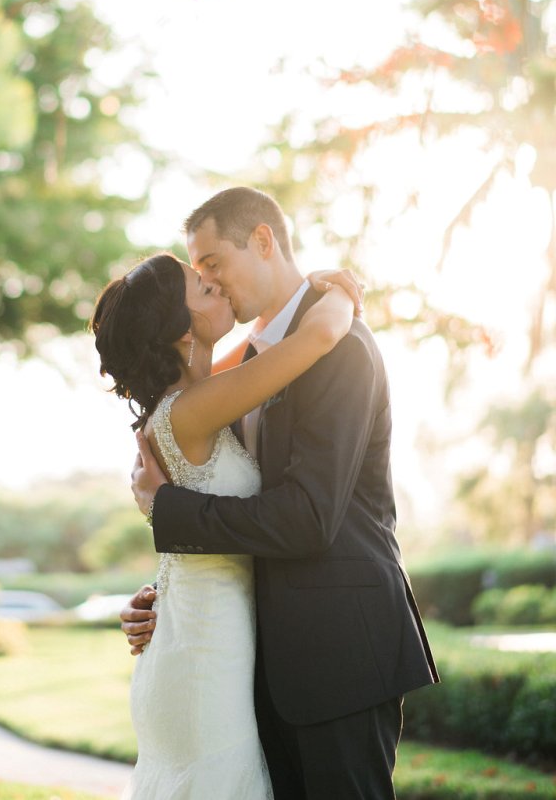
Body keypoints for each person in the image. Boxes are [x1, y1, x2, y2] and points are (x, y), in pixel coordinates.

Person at [124, 187, 439, 800]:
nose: (208, 283)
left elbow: (308, 519)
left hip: (340, 657)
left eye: (213, 263)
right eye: (198, 275)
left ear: (263, 241)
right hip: (258, 668)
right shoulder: (251, 364)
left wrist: (172, 515)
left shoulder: (339, 347)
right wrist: (166, 593)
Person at [92, 250, 358, 800]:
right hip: (202, 663)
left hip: (192, 638)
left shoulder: (191, 402)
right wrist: (341, 292)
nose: (218, 288)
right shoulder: (194, 409)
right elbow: (316, 340)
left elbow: (257, 349)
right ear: (180, 329)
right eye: (203, 288)